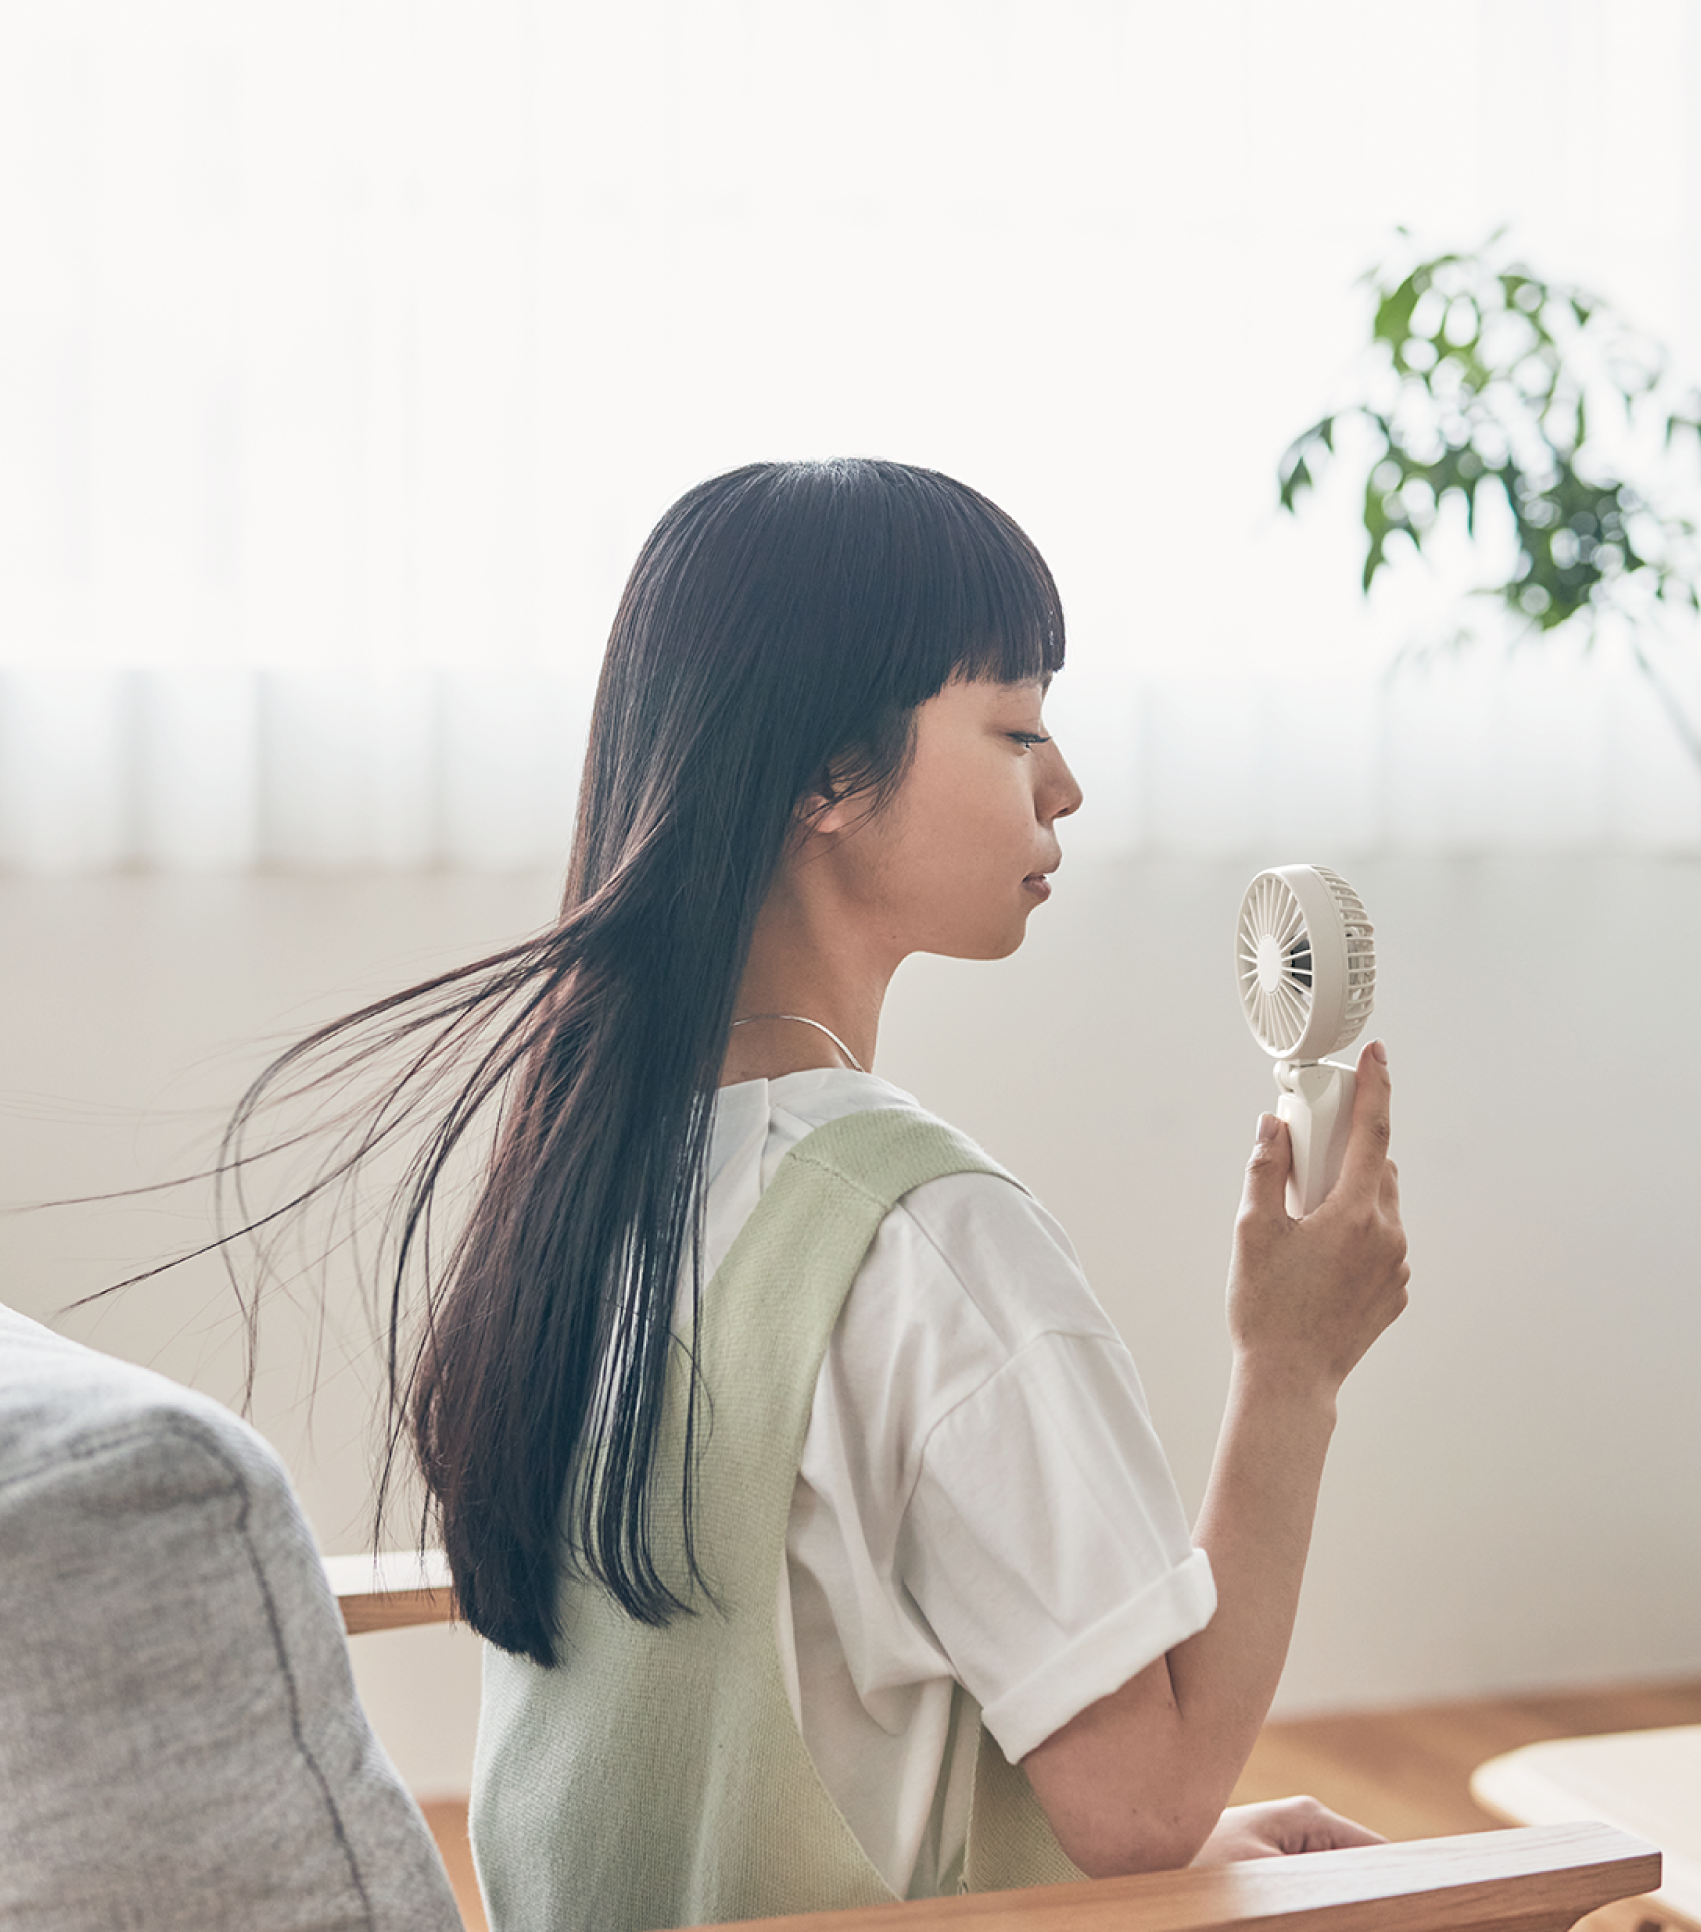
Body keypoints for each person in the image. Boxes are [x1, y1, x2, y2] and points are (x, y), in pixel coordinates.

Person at [235, 459, 1409, 1930]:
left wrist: (1206, 1841)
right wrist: (1293, 1367)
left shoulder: (589, 1189)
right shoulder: (926, 1242)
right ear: (829, 775)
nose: (1065, 784)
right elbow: (1143, 1807)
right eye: (1017, 729)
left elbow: (783, 1747)